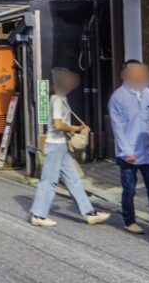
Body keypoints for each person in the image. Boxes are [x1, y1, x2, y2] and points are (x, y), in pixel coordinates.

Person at [30, 68, 112, 227]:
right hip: (55, 146)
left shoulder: (60, 98)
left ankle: (89, 213)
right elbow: (58, 125)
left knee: (74, 180)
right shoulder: (58, 100)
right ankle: (38, 215)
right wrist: (75, 129)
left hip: (61, 146)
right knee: (49, 181)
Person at [108, 60, 149, 236]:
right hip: (129, 151)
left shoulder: (147, 92)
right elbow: (118, 128)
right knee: (129, 188)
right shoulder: (118, 97)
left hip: (148, 149)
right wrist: (127, 151)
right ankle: (130, 221)